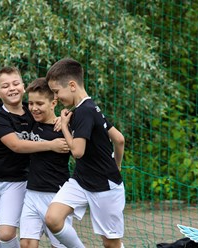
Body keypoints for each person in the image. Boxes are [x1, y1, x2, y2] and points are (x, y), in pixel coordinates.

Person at [0, 67, 69, 248]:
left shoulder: (32, 111)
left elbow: (49, 112)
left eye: (16, 83)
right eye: (5, 85)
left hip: (17, 179)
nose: (12, 88)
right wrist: (51, 145)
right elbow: (16, 145)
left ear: (23, 87)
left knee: (7, 233)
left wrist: (61, 119)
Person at [44, 58, 126, 248]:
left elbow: (78, 152)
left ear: (72, 85)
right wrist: (118, 166)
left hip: (104, 186)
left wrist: (65, 126)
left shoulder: (84, 112)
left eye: (57, 92)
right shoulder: (91, 107)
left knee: (110, 243)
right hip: (81, 181)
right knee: (53, 218)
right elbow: (119, 139)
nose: (56, 98)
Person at [19, 77, 72, 248]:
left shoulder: (65, 128)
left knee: (59, 246)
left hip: (57, 196)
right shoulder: (31, 122)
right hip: (32, 193)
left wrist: (66, 120)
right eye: (31, 103)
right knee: (26, 243)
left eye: (39, 104)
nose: (34, 108)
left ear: (53, 103)